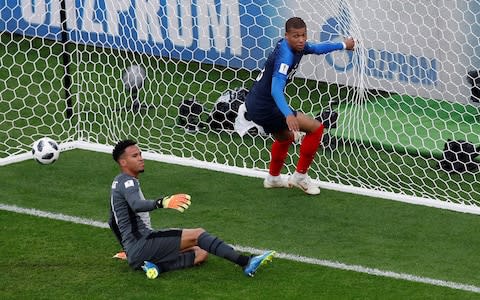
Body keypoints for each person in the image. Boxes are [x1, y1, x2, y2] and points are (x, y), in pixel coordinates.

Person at [108, 139, 275, 277]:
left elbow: (111, 221)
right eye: (135, 156)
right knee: (198, 234)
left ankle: (156, 267)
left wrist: (128, 250)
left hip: (137, 251)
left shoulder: (118, 184)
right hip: (142, 244)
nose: (141, 158)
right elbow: (136, 205)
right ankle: (246, 262)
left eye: (140, 154)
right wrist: (162, 202)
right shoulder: (127, 182)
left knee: (201, 252)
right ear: (123, 162)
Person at [245, 17, 355, 195]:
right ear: (286, 36)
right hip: (266, 106)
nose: (301, 39)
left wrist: (343, 45)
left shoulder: (295, 46)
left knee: (285, 137)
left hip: (254, 103)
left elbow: (317, 48)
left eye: (303, 35)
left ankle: (273, 178)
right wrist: (288, 114)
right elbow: (275, 89)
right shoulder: (285, 56)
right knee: (316, 128)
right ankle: (300, 176)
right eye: (296, 36)